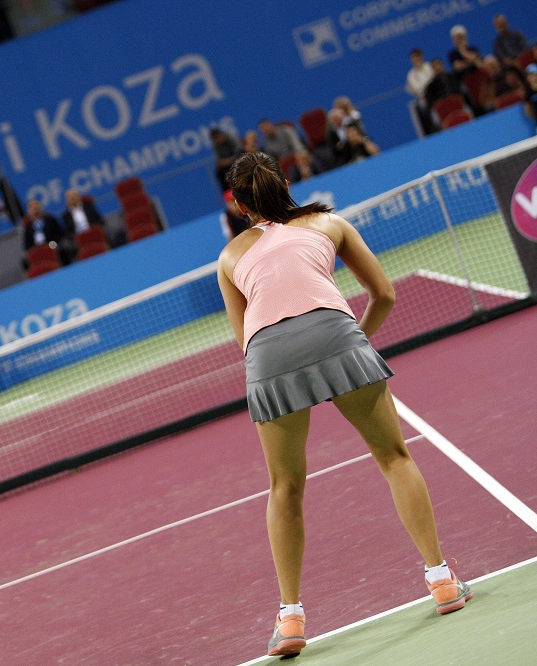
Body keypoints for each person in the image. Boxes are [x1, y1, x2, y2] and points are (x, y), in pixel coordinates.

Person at [215, 152, 472, 658]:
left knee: (284, 487)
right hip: (336, 335)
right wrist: (353, 350)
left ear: (240, 207)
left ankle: (290, 618)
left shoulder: (228, 257)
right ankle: (442, 580)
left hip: (269, 356)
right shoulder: (329, 223)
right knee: (394, 456)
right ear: (285, 183)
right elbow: (384, 294)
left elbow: (244, 340)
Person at [23, 198, 71, 265]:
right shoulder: (28, 228)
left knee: (63, 251)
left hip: (52, 246)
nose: (34, 208)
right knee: (25, 262)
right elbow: (27, 245)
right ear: (28, 211)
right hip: (38, 250)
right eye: (31, 207)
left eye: (36, 205)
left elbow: (60, 234)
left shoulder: (50, 220)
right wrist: (36, 250)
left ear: (40, 207)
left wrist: (52, 244)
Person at [405, 48, 437, 135]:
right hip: (424, 97)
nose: (416, 59)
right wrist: (428, 83)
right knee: (423, 103)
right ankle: (433, 127)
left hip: (436, 92)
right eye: (413, 57)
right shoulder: (411, 74)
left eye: (417, 56)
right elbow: (417, 89)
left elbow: (434, 78)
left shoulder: (429, 66)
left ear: (421, 56)